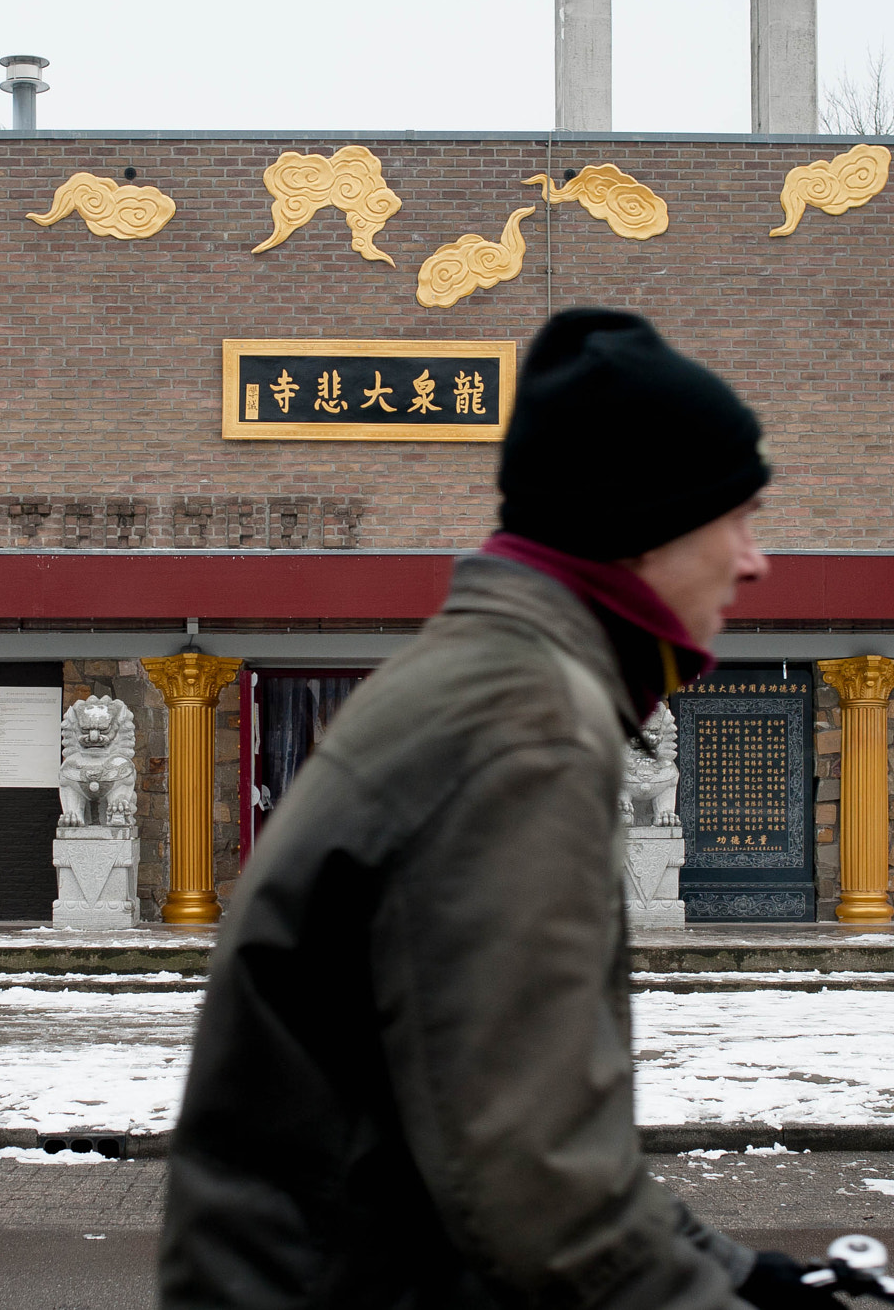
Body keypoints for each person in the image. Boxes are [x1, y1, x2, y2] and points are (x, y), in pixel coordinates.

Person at [159, 309, 838, 1309]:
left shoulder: (488, 681)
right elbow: (541, 1191)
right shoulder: (525, 729)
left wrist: (737, 1272)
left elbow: (527, 1123)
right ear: (640, 523)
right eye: (735, 516)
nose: (753, 560)